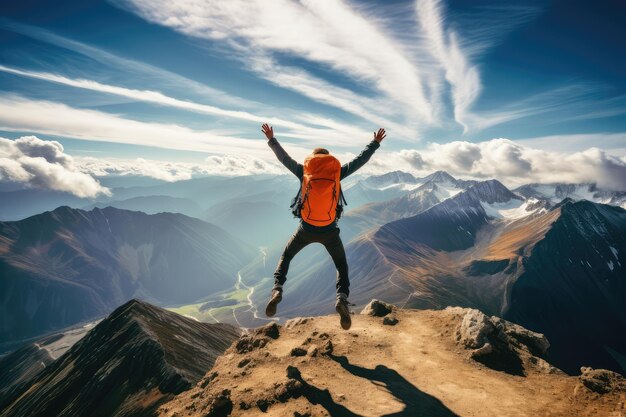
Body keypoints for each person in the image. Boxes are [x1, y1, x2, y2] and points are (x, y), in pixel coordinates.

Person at [261, 123, 386, 329]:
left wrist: (272, 139)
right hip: (329, 230)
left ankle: (277, 289)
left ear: (312, 159)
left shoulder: (304, 172)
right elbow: (360, 161)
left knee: (287, 256)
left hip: (306, 229)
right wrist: (375, 143)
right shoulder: (337, 173)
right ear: (329, 159)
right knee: (341, 266)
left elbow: (283, 159)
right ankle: (341, 299)